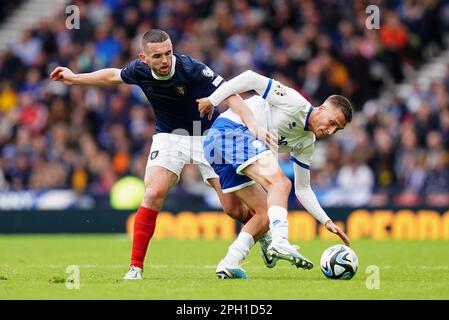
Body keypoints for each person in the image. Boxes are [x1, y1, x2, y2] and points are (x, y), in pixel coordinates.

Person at [50, 29, 274, 280]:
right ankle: (135, 267)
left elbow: (231, 95)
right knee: (153, 193)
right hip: (169, 137)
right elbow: (113, 76)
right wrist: (74, 77)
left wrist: (252, 124)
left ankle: (261, 231)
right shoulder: (139, 70)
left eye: (168, 53)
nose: (165, 60)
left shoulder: (192, 69)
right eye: (157, 56)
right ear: (144, 58)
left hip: (208, 136)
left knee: (232, 209)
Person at [198, 70, 351, 279]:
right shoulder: (295, 102)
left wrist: (326, 221)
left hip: (222, 148)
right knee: (280, 183)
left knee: (261, 214)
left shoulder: (306, 142)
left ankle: (230, 262)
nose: (331, 131)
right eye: (332, 123)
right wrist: (212, 100)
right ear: (322, 108)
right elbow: (250, 78)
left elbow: (303, 189)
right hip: (229, 130)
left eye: (337, 129)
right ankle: (280, 241)